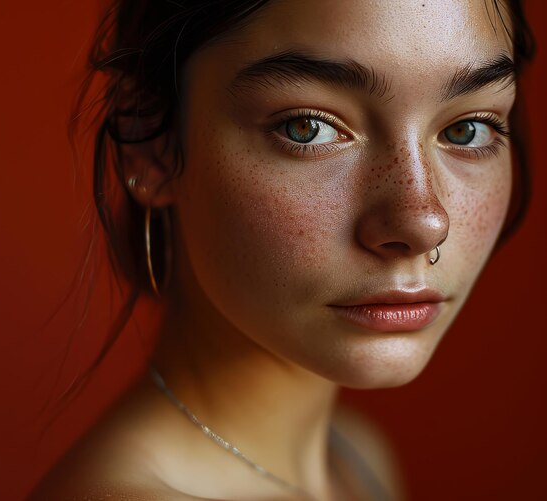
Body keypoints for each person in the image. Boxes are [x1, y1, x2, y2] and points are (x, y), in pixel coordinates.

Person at [29, 0, 535, 499]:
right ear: (149, 142)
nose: (423, 221)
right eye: (307, 127)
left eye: (468, 129)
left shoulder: (356, 458)